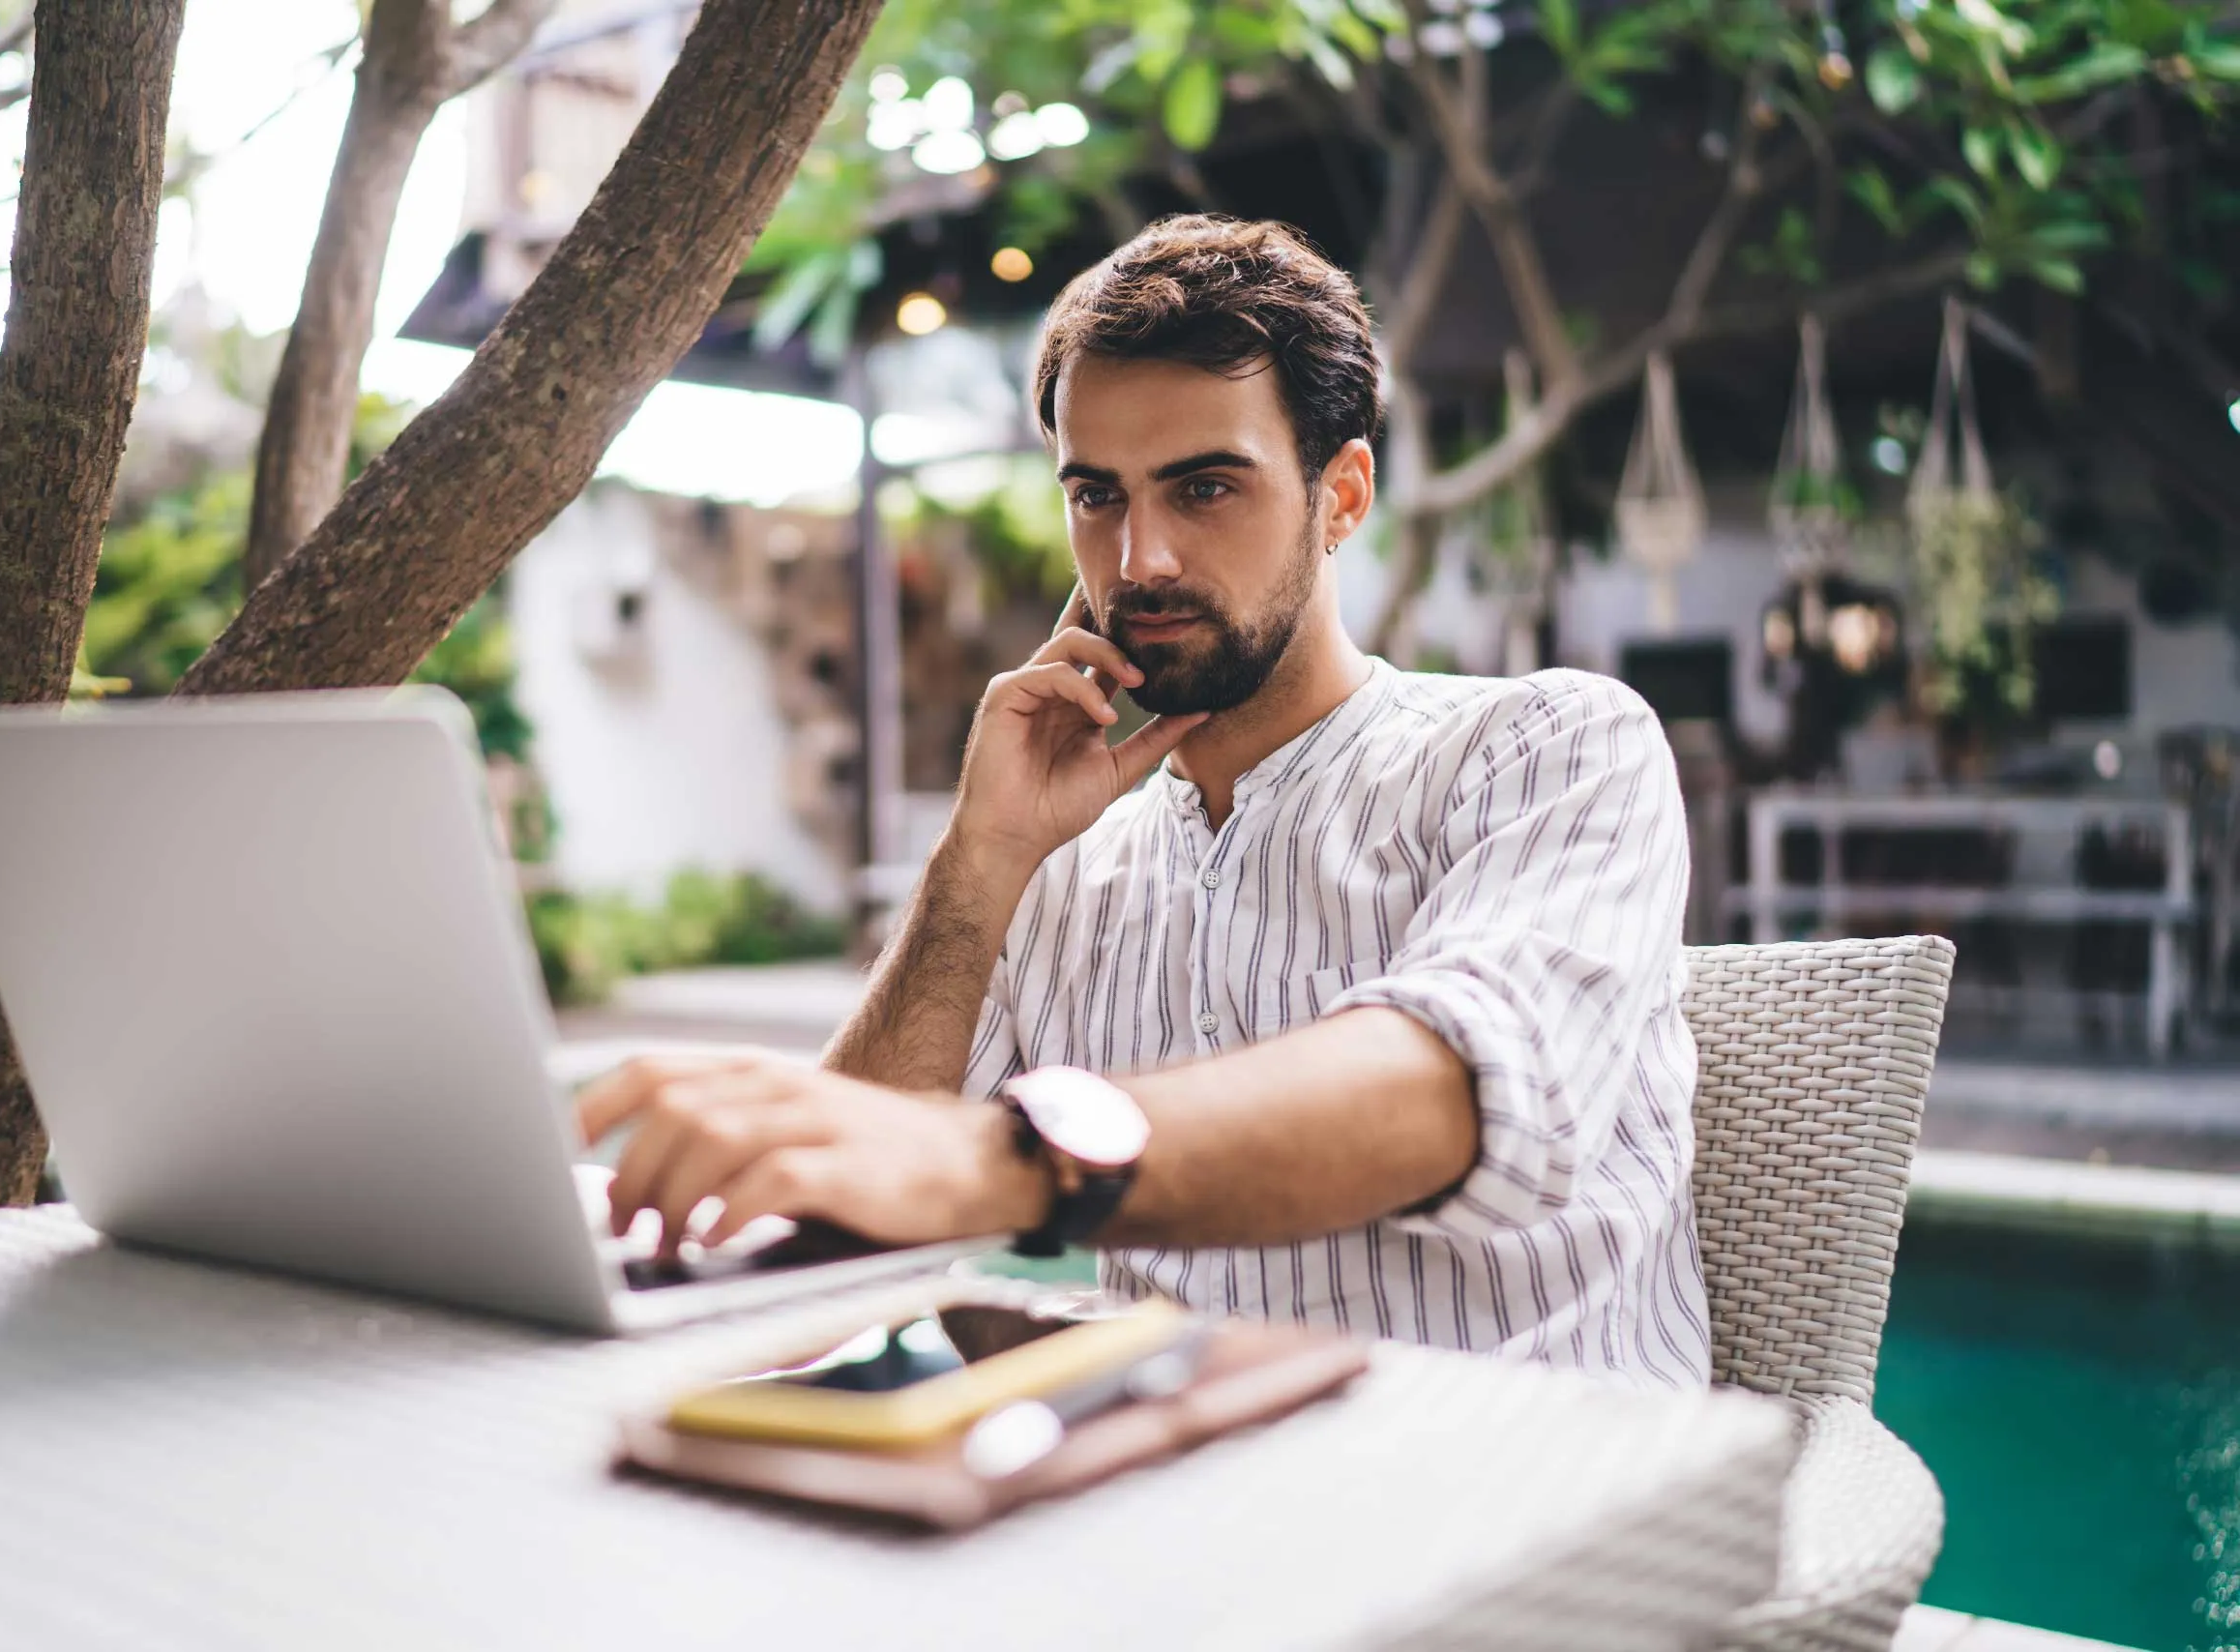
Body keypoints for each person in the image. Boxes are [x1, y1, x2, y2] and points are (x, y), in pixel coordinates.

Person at [578, 216, 1710, 1388]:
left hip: (1535, 1493)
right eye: (1097, 497)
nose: (1141, 559)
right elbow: (823, 1253)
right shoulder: (1063, 866)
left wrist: (1007, 1164)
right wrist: (980, 861)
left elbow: (1445, 1099)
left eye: (1204, 487)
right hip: (1183, 1496)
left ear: (1343, 495)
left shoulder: (1548, 748)